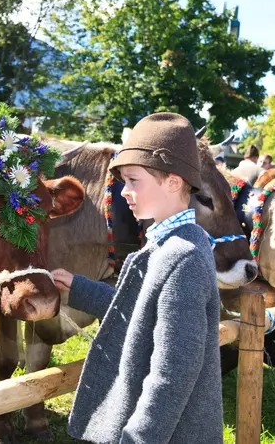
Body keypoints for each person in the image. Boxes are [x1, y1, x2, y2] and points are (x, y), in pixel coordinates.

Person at [52, 112, 222, 444]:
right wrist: (79, 288)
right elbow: (141, 310)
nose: (124, 193)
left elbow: (172, 376)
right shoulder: (170, 243)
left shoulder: (182, 257)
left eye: (133, 181)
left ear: (173, 182)